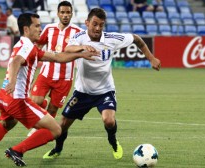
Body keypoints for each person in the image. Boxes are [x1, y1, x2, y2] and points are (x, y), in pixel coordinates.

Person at [0, 12, 98, 166]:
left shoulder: (26, 45)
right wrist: (13, 81)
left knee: (8, 123)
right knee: (56, 130)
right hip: (16, 99)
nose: (40, 29)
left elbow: (57, 57)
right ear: (26, 29)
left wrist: (81, 55)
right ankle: (17, 150)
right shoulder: (27, 47)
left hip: (3, 97)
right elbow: (16, 61)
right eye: (37, 26)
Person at [42, 8, 161, 160]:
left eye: (101, 25)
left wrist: (151, 58)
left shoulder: (112, 38)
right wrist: (83, 47)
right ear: (87, 23)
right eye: (94, 24)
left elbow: (137, 39)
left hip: (105, 91)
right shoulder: (79, 37)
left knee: (109, 120)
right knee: (63, 124)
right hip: (82, 92)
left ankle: (113, 141)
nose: (98, 28)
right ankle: (57, 149)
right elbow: (67, 48)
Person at [27, 1, 82, 136]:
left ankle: (38, 129)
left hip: (65, 78)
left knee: (53, 109)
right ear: (57, 13)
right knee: (35, 102)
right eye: (62, 12)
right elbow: (38, 47)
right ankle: (41, 110)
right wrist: (31, 64)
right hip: (46, 73)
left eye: (68, 12)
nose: (65, 15)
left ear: (71, 14)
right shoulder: (49, 29)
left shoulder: (78, 33)